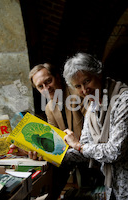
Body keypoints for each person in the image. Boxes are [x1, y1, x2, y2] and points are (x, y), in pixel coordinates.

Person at [62, 52, 128, 200]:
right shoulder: (92, 108)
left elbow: (115, 151)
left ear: (98, 73)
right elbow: (86, 148)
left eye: (87, 81)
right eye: (78, 86)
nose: (84, 90)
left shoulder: (127, 100)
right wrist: (49, 154)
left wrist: (78, 146)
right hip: (119, 183)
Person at [11, 63, 87, 200]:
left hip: (90, 153)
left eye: (48, 81)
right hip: (71, 156)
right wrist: (32, 149)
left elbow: (92, 136)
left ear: (57, 77)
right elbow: (56, 143)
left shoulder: (78, 95)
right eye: (41, 86)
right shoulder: (49, 108)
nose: (47, 88)